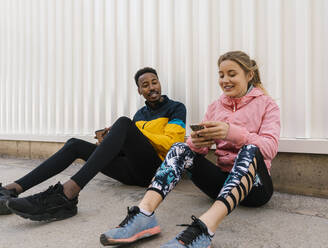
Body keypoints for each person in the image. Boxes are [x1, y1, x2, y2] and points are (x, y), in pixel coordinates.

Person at [100, 51, 280, 247]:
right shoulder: (215, 107)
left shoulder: (267, 104)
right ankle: (144, 215)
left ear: (249, 75)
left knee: (250, 149)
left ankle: (204, 230)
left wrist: (232, 132)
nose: (225, 80)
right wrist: (197, 141)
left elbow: (269, 149)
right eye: (221, 75)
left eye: (232, 74)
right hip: (220, 186)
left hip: (256, 189)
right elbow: (197, 152)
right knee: (180, 148)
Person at [0, 67, 186, 221]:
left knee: (122, 122)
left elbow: (173, 144)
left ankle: (67, 194)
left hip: (156, 171)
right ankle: (12, 189)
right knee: (75, 144)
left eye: (154, 82)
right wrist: (109, 142)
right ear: (139, 91)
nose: (152, 87)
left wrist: (132, 131)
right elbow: (130, 150)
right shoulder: (139, 115)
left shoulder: (176, 108)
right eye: (145, 85)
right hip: (132, 172)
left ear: (160, 83)